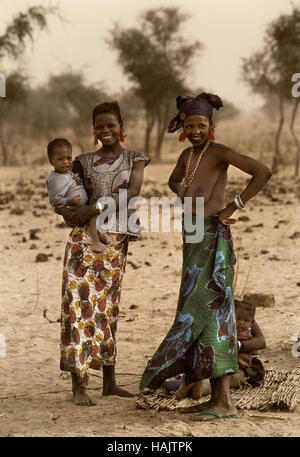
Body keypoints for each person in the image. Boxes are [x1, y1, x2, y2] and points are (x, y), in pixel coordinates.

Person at [139, 92, 272, 421]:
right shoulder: (187, 156)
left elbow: (263, 172)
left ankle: (223, 401)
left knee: (213, 314)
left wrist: (233, 206)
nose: (196, 130)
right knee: (194, 312)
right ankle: (209, 393)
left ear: (211, 126)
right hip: (192, 238)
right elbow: (173, 181)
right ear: (183, 126)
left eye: (202, 125)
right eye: (190, 125)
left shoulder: (220, 153)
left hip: (213, 237)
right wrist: (183, 190)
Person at [56, 101, 150, 405]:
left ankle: (109, 383)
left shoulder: (136, 159)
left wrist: (91, 209)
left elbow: (130, 194)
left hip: (114, 243)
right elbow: (69, 203)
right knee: (78, 308)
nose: (106, 131)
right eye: (100, 126)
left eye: (111, 125)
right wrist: (70, 211)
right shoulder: (81, 161)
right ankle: (78, 385)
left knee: (109, 310)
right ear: (93, 128)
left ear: (120, 124)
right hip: (83, 242)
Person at [175, 299, 266, 400]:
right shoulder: (209, 311)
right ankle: (191, 380)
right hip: (218, 361)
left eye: (245, 321)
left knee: (229, 379)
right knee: (214, 372)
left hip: (245, 365)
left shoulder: (241, 314)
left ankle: (200, 387)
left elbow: (261, 341)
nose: (241, 322)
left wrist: (239, 345)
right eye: (238, 319)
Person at [46, 138, 107, 253]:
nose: (66, 162)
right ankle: (95, 242)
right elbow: (54, 200)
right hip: (73, 210)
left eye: (69, 158)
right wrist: (70, 202)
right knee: (93, 215)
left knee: (95, 210)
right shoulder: (55, 178)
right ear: (51, 161)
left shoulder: (68, 172)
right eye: (60, 159)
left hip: (80, 206)